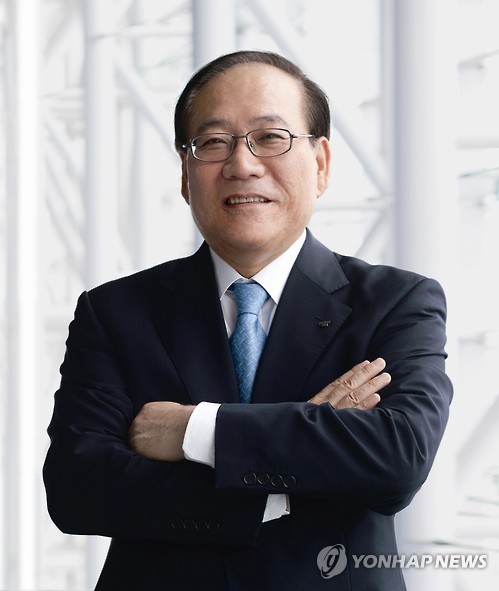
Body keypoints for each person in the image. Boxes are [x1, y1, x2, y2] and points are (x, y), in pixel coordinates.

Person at [43, 50, 453, 591]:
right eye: (214, 142)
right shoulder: (116, 311)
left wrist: (194, 430)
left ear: (321, 164)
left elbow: (397, 458)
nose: (242, 164)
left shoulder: (396, 302)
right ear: (186, 174)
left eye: (271, 137)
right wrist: (296, 467)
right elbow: (77, 488)